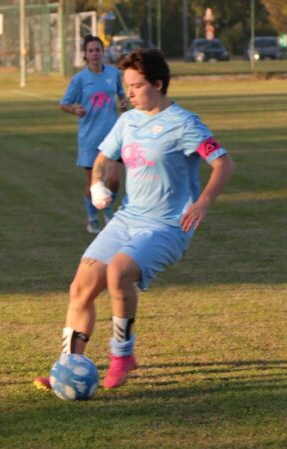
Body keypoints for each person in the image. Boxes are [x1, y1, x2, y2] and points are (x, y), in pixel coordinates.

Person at [34, 49, 234, 391]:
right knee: (80, 286)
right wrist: (98, 183)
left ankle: (122, 354)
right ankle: (68, 368)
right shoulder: (127, 120)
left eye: (137, 86)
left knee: (119, 271)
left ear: (158, 84)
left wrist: (202, 203)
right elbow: (103, 157)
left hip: (168, 225)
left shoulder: (185, 123)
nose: (129, 93)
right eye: (126, 85)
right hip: (127, 218)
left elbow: (223, 164)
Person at [59, 35, 128, 234]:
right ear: (85, 54)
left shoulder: (113, 74)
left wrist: (123, 103)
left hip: (113, 137)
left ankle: (105, 208)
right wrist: (74, 110)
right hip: (90, 138)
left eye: (98, 50)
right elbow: (64, 103)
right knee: (94, 183)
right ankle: (93, 217)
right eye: (90, 51)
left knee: (114, 180)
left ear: (103, 52)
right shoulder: (79, 79)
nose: (95, 54)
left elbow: (121, 94)